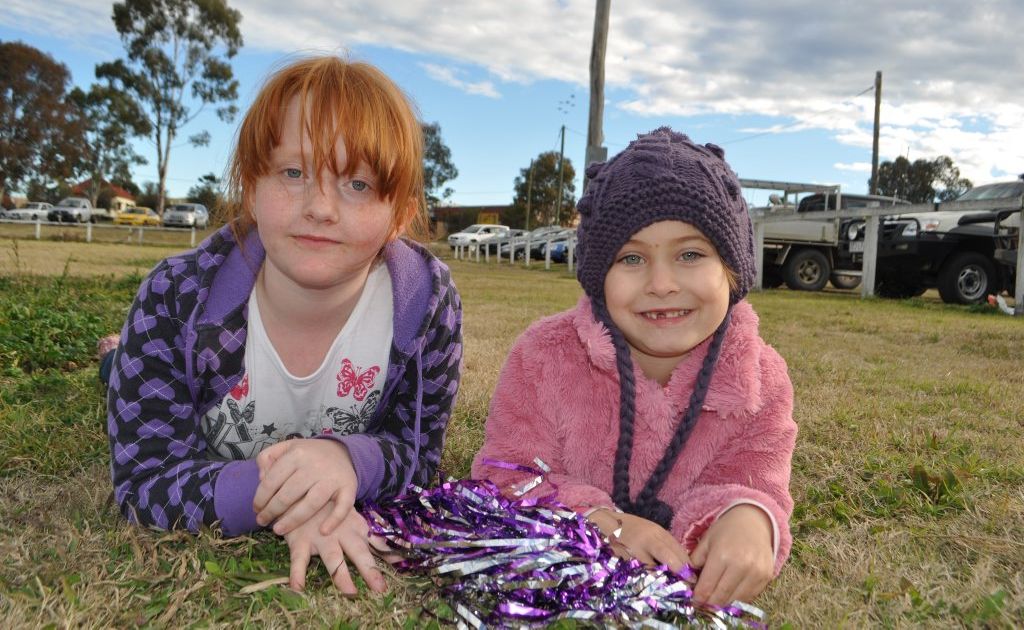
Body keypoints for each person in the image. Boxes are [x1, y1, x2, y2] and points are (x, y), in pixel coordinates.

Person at [106, 56, 463, 595]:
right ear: (251, 186)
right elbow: (144, 481)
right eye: (293, 173)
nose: (320, 207)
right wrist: (288, 494)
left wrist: (346, 462)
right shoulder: (173, 299)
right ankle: (114, 359)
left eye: (358, 183)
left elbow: (417, 454)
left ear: (400, 213)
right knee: (119, 371)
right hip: (157, 355)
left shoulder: (427, 306)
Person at [472, 128, 796, 607]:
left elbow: (754, 478)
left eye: (690, 254)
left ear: (733, 269)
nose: (661, 284)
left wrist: (748, 518)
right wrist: (598, 520)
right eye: (631, 257)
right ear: (597, 276)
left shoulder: (759, 377)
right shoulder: (542, 357)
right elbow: (505, 475)